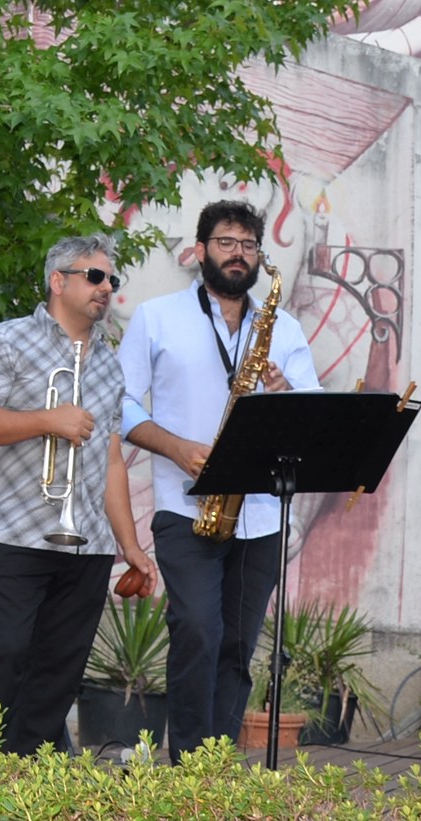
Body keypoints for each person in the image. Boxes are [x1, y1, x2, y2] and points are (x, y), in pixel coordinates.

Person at [119, 199, 321, 761]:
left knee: (236, 645)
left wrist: (286, 394)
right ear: (201, 249)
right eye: (227, 242)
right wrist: (177, 447)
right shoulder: (157, 317)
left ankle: (214, 761)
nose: (239, 254)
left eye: (249, 245)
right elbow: (120, 404)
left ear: (259, 256)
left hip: (258, 512)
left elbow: (315, 411)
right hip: (187, 507)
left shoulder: (285, 328)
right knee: (198, 633)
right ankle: (185, 765)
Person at [0, 233, 155, 756]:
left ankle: (28, 779)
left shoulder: (110, 362)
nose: (106, 287)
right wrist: (48, 420)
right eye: (95, 276)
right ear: (58, 280)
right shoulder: (7, 340)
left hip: (86, 544)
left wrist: (130, 546)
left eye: (112, 279)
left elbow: (112, 459)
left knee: (60, 671)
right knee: (6, 651)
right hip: (17, 532)